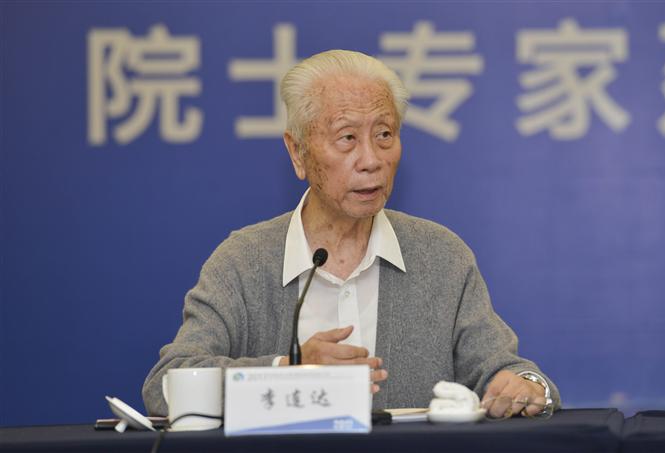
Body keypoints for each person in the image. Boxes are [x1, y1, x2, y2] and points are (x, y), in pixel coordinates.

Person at [142, 49, 560, 418]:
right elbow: (166, 385)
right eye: (347, 138)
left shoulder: (441, 257)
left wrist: (526, 387)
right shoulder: (244, 261)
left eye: (384, 135)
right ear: (297, 151)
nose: (371, 160)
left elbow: (505, 370)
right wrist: (288, 371)